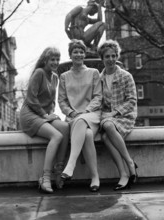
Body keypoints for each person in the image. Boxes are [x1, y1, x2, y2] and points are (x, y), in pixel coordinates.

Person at [19, 47, 69, 194]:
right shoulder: (39, 73)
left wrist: (52, 113)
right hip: (30, 114)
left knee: (65, 127)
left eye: (57, 59)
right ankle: (45, 177)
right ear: (45, 60)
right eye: (52, 59)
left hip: (43, 115)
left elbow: (51, 101)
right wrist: (45, 115)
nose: (55, 62)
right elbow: (31, 98)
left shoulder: (55, 77)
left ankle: (59, 171)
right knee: (57, 136)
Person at [58, 39, 102, 192]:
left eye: (81, 51)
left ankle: (70, 164)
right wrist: (71, 112)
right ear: (70, 55)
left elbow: (98, 96)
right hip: (73, 117)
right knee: (88, 135)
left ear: (85, 54)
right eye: (75, 52)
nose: (78, 54)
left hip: (92, 114)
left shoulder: (93, 73)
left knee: (83, 121)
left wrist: (87, 110)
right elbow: (62, 100)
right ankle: (95, 177)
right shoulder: (64, 76)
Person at [97, 39, 138, 191]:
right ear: (102, 58)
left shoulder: (126, 76)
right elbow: (97, 102)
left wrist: (114, 113)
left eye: (114, 56)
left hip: (125, 116)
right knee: (105, 137)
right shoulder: (98, 79)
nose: (111, 59)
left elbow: (132, 100)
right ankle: (124, 173)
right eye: (107, 56)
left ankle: (128, 163)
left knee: (107, 126)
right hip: (108, 116)